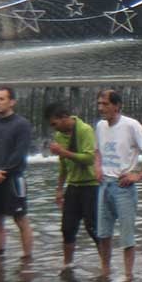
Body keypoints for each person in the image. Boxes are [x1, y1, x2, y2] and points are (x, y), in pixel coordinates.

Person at [94, 88, 142, 282]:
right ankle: (105, 271)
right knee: (103, 233)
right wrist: (97, 166)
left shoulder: (131, 125)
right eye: (99, 104)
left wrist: (139, 175)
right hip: (104, 185)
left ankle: (128, 276)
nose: (101, 108)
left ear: (117, 106)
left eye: (105, 104)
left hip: (123, 187)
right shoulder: (100, 126)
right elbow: (97, 151)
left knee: (127, 235)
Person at [0, 86, 34, 260]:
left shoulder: (21, 124)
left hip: (13, 179)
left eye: (1, 99)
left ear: (12, 102)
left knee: (20, 219)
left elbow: (20, 152)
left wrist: (3, 172)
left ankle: (27, 259)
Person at [45, 102, 99, 271]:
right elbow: (63, 166)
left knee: (94, 229)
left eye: (55, 124)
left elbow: (89, 158)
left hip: (91, 186)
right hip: (73, 186)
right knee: (67, 228)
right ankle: (67, 265)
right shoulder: (60, 136)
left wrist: (63, 152)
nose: (54, 129)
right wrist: (59, 189)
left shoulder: (85, 130)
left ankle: (105, 265)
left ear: (64, 118)